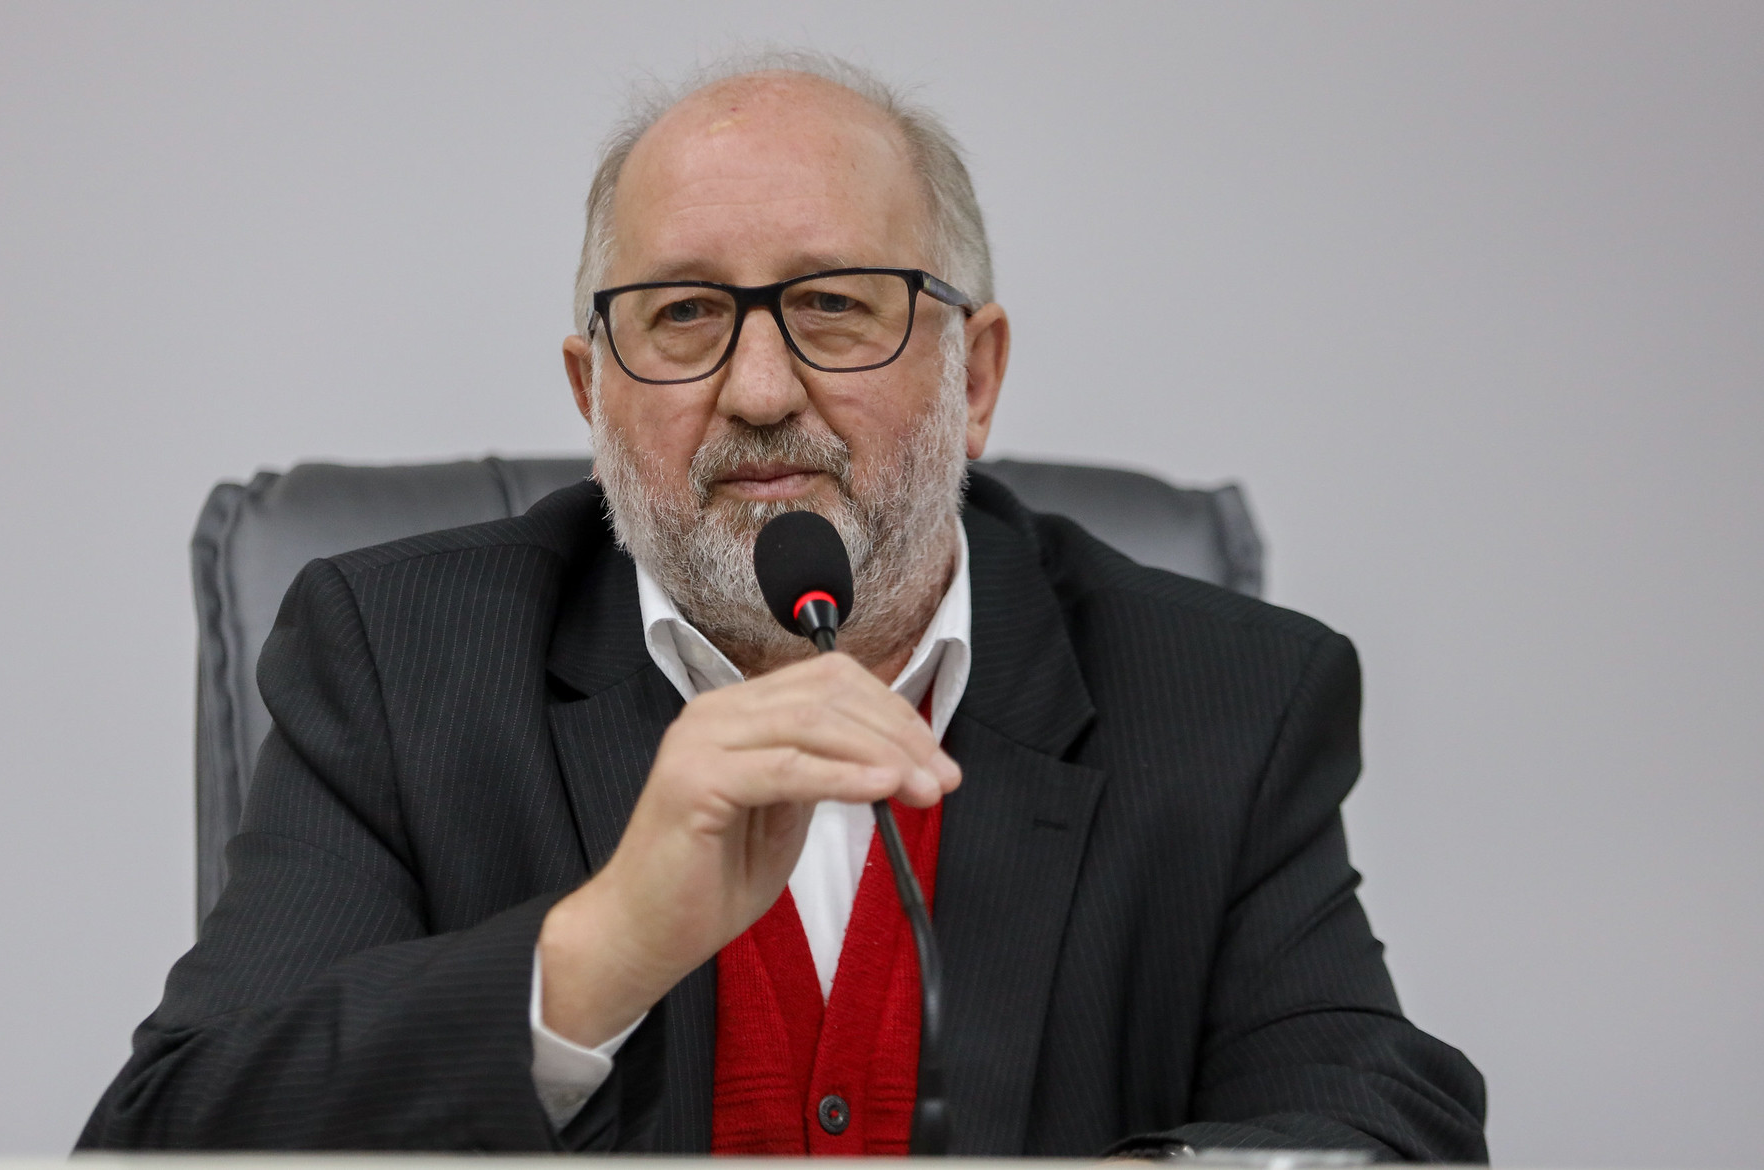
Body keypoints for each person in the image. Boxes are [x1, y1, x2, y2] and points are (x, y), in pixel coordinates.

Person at [79, 51, 1486, 1160]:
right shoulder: (401, 668)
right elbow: (166, 1138)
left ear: (975, 377)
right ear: (592, 395)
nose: (758, 390)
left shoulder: (1224, 698)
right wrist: (598, 952)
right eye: (684, 315)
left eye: (835, 306)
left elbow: (1378, 1125)